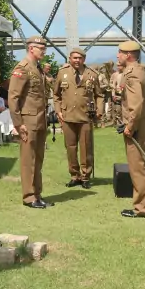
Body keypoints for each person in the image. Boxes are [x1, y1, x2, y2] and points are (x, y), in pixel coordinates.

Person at [8, 36, 52, 209]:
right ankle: (29, 196)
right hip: (28, 120)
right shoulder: (23, 68)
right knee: (28, 159)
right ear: (31, 48)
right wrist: (18, 123)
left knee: (38, 158)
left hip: (40, 119)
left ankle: (37, 194)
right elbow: (13, 98)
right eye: (40, 48)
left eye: (44, 47)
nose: (43, 50)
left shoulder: (38, 68)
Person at [53, 47, 101, 189]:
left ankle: (85, 176)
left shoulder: (91, 74)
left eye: (80, 58)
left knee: (86, 147)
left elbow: (100, 95)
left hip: (85, 116)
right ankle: (74, 175)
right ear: (70, 58)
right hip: (67, 116)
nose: (77, 60)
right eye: (75, 58)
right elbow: (56, 95)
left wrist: (99, 111)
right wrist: (58, 111)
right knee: (71, 148)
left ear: (84, 59)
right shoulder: (63, 73)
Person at [117, 40, 145, 218]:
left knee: (138, 168)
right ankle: (143, 205)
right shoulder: (139, 70)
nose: (118, 56)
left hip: (137, 128)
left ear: (128, 55)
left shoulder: (131, 75)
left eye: (120, 53)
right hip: (142, 125)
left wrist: (130, 126)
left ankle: (142, 208)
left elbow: (136, 104)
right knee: (142, 166)